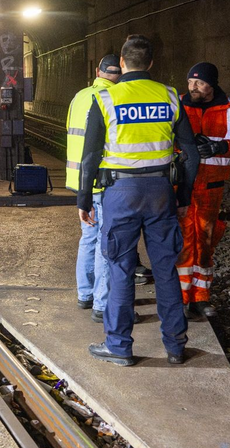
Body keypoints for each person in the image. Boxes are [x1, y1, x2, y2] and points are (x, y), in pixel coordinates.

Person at [78, 34, 199, 366]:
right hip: (161, 192)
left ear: (121, 61)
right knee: (165, 269)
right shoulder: (170, 96)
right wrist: (184, 196)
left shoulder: (106, 98)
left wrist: (83, 199)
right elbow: (190, 153)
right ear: (151, 63)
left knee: (120, 268)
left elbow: (89, 157)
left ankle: (119, 347)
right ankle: (175, 346)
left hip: (120, 193)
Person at [177, 62, 230, 318]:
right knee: (183, 240)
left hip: (211, 186)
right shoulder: (177, 104)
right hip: (182, 184)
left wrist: (220, 146)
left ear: (213, 84)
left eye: (199, 82)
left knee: (206, 240)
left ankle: (201, 297)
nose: (192, 87)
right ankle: (181, 297)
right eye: (190, 82)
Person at [66, 54, 121, 319]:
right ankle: (102, 303)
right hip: (104, 180)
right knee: (105, 241)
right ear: (119, 74)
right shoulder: (114, 98)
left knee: (88, 238)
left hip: (80, 180)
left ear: (98, 71)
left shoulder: (79, 96)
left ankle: (84, 295)